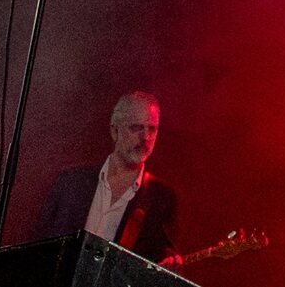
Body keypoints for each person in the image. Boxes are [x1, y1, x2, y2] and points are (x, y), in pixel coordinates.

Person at [29, 90, 178, 264]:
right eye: (135, 128)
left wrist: (172, 263)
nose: (145, 137)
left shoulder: (161, 199)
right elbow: (36, 246)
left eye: (152, 129)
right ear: (114, 131)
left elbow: (162, 260)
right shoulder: (71, 182)